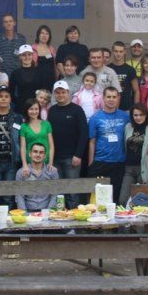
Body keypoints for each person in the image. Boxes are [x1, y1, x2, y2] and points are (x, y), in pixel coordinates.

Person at [48, 80, 88, 209]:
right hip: (55, 159)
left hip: (72, 158)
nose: (60, 95)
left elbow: (84, 133)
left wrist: (78, 155)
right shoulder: (52, 110)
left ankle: (73, 220)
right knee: (58, 192)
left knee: (72, 192)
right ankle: (60, 219)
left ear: (68, 93)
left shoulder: (77, 110)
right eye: (57, 92)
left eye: (63, 92)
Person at [87, 87, 130, 204]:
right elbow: (92, 141)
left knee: (116, 197)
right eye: (108, 97)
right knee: (98, 198)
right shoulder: (95, 118)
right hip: (101, 161)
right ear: (103, 98)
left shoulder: (125, 117)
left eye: (114, 97)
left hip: (119, 162)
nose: (111, 99)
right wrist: (91, 163)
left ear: (118, 98)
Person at [118, 103, 148, 207]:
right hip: (129, 169)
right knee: (122, 200)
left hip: (144, 169)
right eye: (135, 115)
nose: (138, 117)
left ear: (146, 115)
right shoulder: (128, 127)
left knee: (141, 201)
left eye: (141, 115)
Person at [14, 143, 59, 211]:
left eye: (41, 152)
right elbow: (19, 196)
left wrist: (48, 212)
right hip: (28, 211)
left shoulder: (52, 172)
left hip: (48, 211)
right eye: (35, 151)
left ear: (44, 156)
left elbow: (55, 195)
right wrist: (24, 214)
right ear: (30, 154)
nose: (38, 155)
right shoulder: (21, 172)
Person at [8, 44, 48, 114]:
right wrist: (18, 102)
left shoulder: (40, 72)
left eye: (29, 54)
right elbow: (11, 93)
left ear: (32, 56)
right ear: (20, 57)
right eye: (24, 55)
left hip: (36, 109)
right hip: (20, 109)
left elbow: (43, 90)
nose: (27, 57)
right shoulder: (15, 73)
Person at [19, 98, 54, 175]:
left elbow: (51, 145)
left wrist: (50, 162)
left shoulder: (46, 124)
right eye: (31, 109)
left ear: (39, 110)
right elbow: (23, 147)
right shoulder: (24, 126)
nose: (34, 111)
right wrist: (24, 165)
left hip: (46, 162)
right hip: (30, 163)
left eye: (36, 109)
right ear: (27, 110)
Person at [108, 41, 140, 112]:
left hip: (126, 107)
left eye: (121, 51)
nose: (118, 54)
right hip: (109, 107)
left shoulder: (130, 69)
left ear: (124, 52)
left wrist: (136, 108)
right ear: (112, 51)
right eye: (116, 51)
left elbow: (136, 90)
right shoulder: (107, 69)